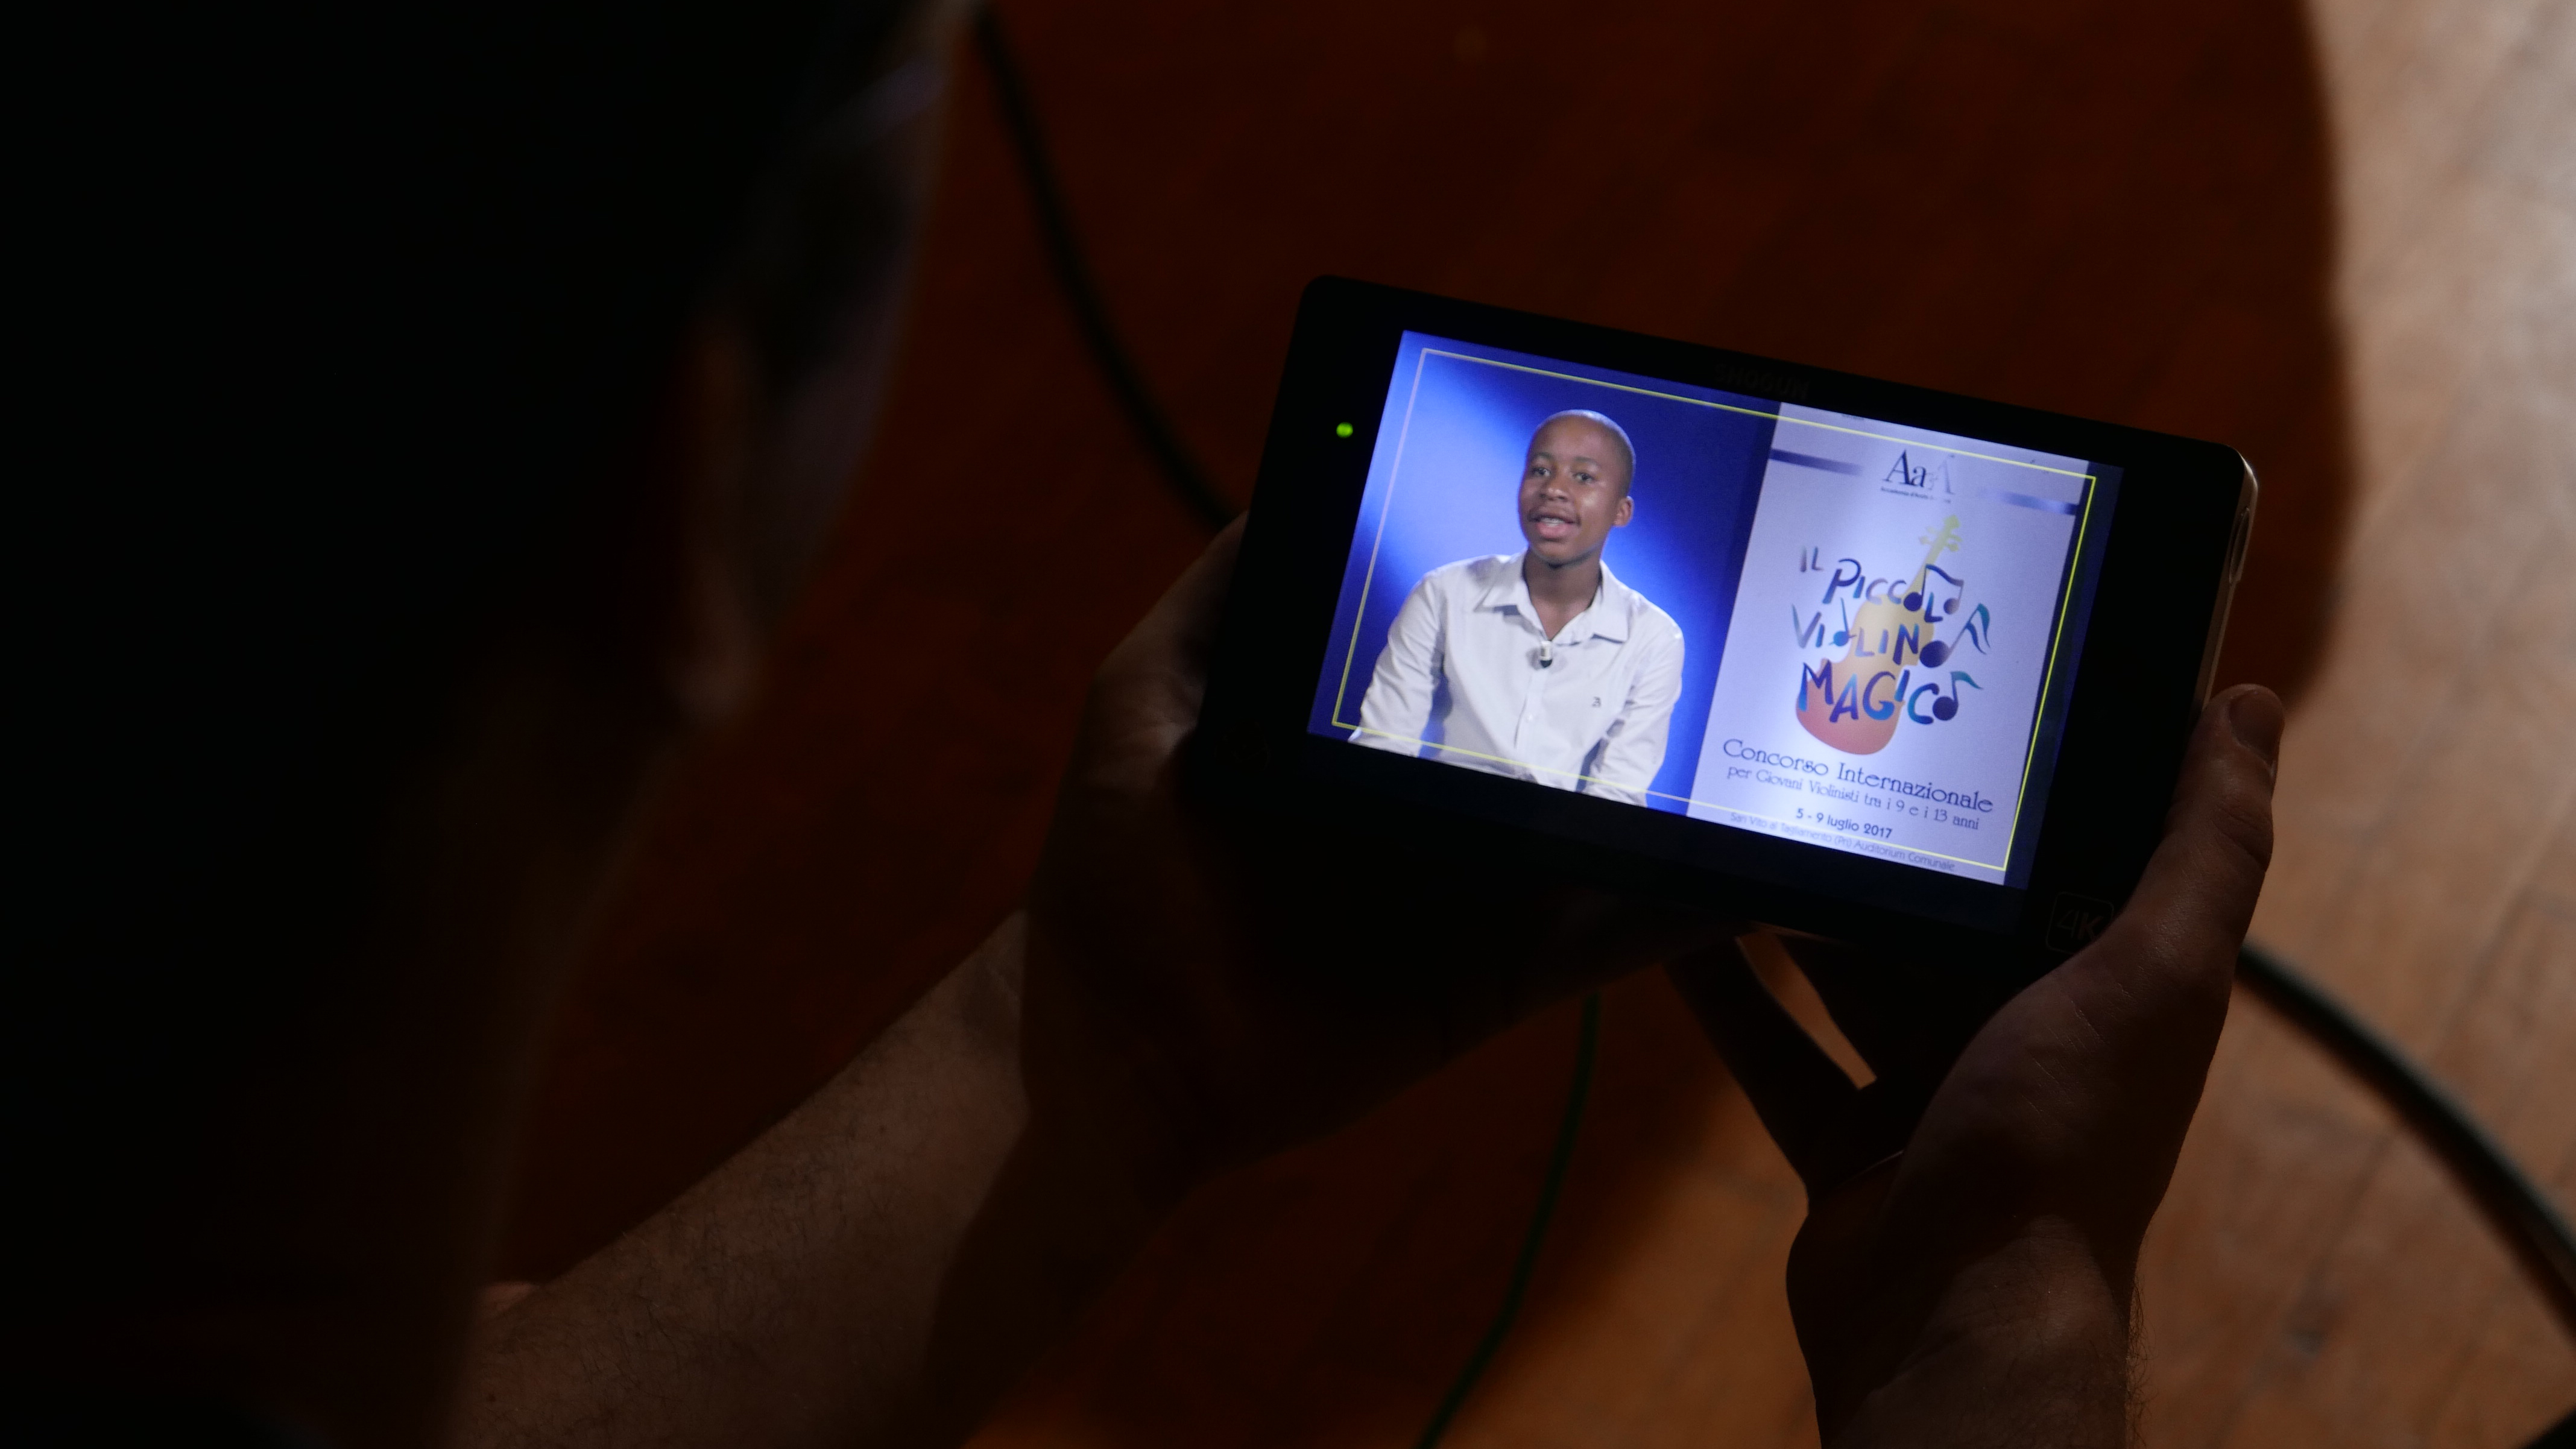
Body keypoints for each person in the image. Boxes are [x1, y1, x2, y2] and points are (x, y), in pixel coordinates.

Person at [7, 2, 2284, 1446]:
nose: (1558, 492)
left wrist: (1095, 1049)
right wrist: (1988, 1339)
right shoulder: (1445, 610)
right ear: (671, 486)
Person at [1355, 409, 1685, 806]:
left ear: (1621, 511)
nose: (1554, 489)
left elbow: (1616, 796)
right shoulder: (1444, 593)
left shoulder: (1654, 638)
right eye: (1540, 471)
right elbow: (1383, 745)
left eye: (1583, 477)